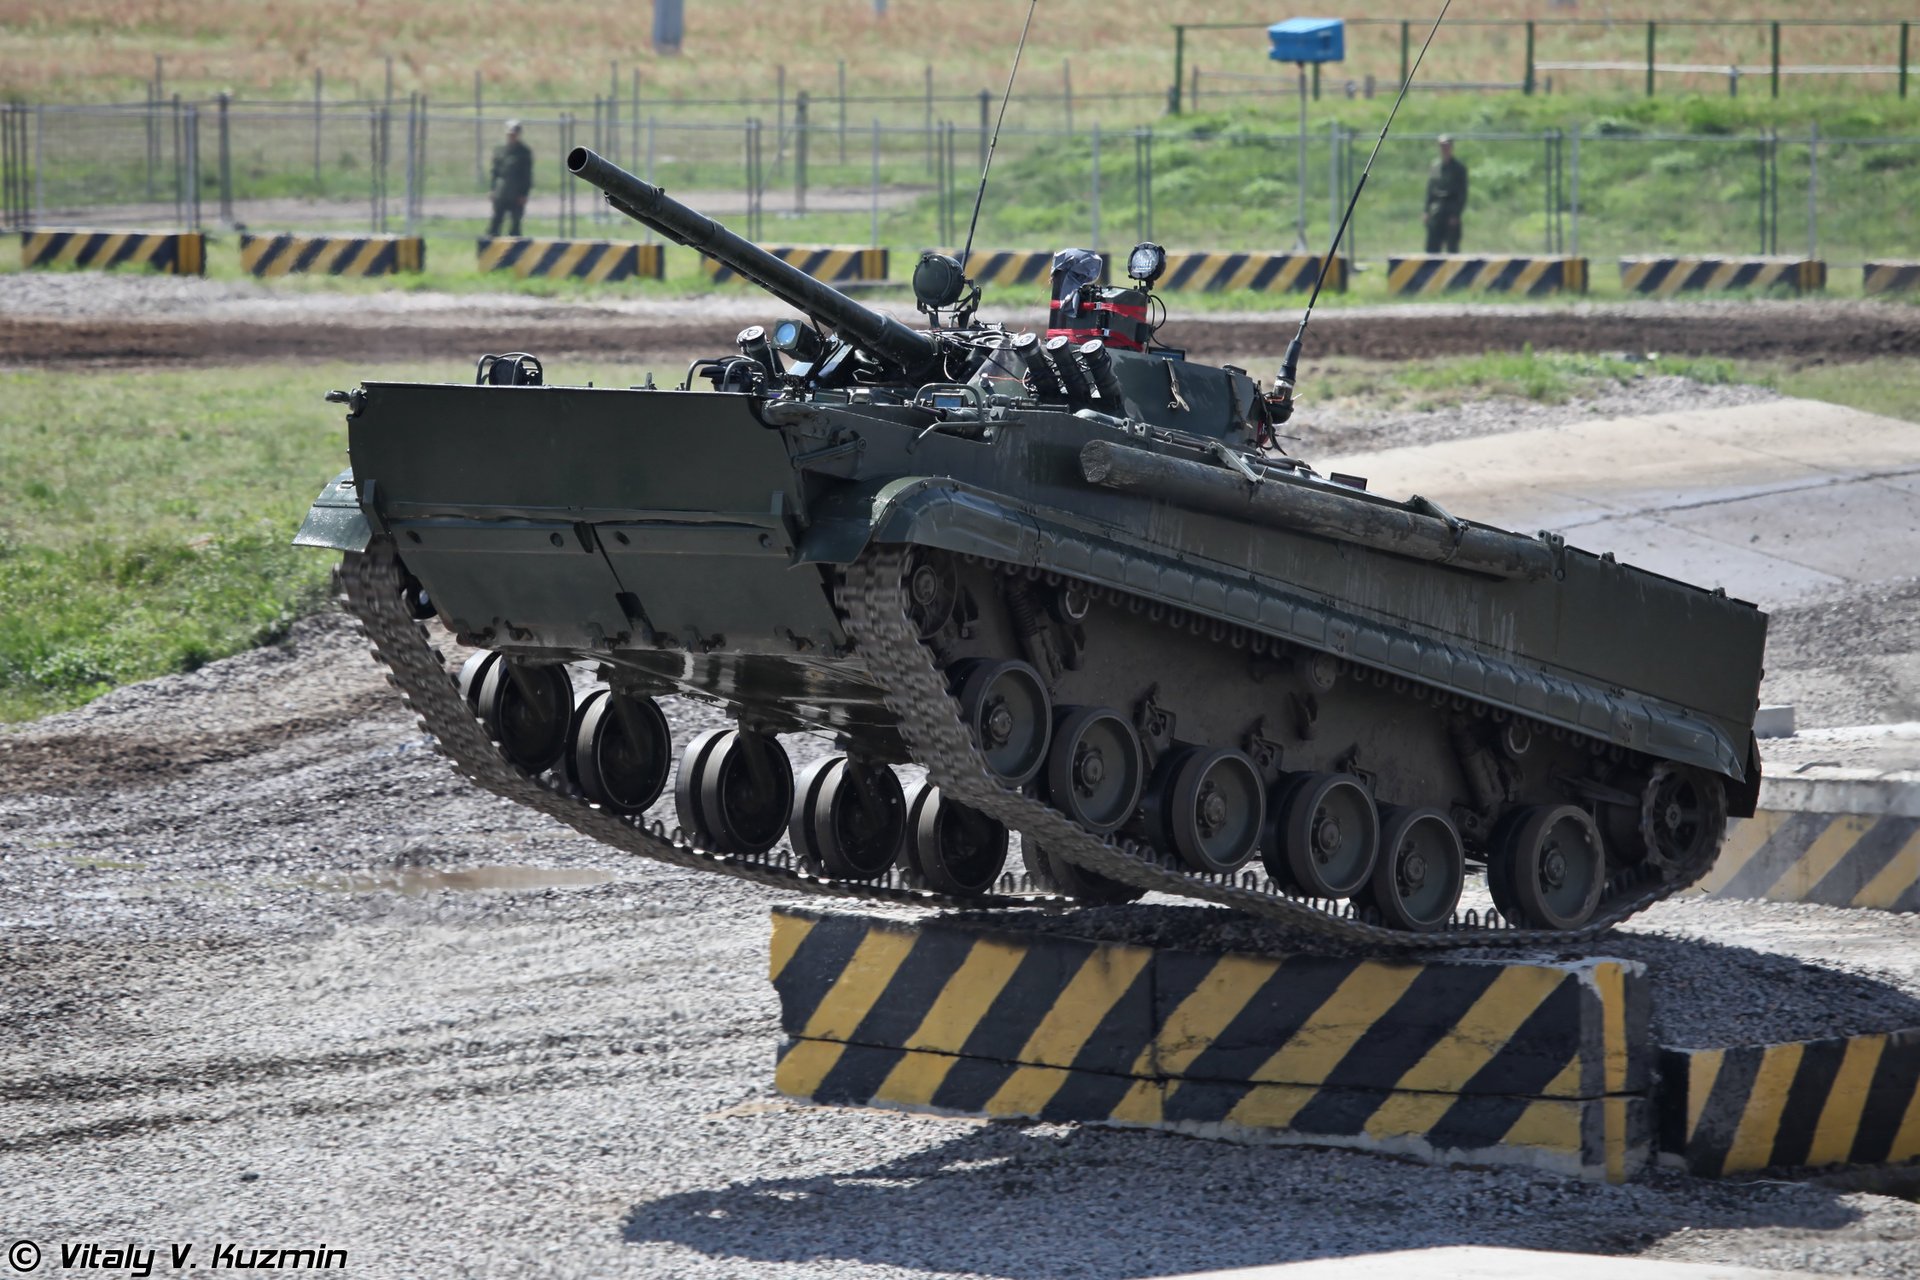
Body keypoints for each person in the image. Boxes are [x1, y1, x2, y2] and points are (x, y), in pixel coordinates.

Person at [487, 120, 533, 238]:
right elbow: (495, 172)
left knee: (515, 226)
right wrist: (492, 190)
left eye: (514, 134)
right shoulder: (500, 150)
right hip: (501, 192)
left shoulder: (524, 152)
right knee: (496, 223)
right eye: (510, 134)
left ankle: (515, 253)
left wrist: (524, 194)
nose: (512, 136)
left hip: (516, 193)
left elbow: (527, 175)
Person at [1423, 134, 1468, 254]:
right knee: (1432, 247)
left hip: (1450, 209)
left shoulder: (1459, 168)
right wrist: (1426, 211)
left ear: (1451, 147)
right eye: (1442, 146)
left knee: (1452, 248)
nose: (1444, 149)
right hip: (1436, 210)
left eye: (1447, 146)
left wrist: (1456, 214)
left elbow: (1462, 193)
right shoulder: (1435, 167)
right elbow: (1430, 190)